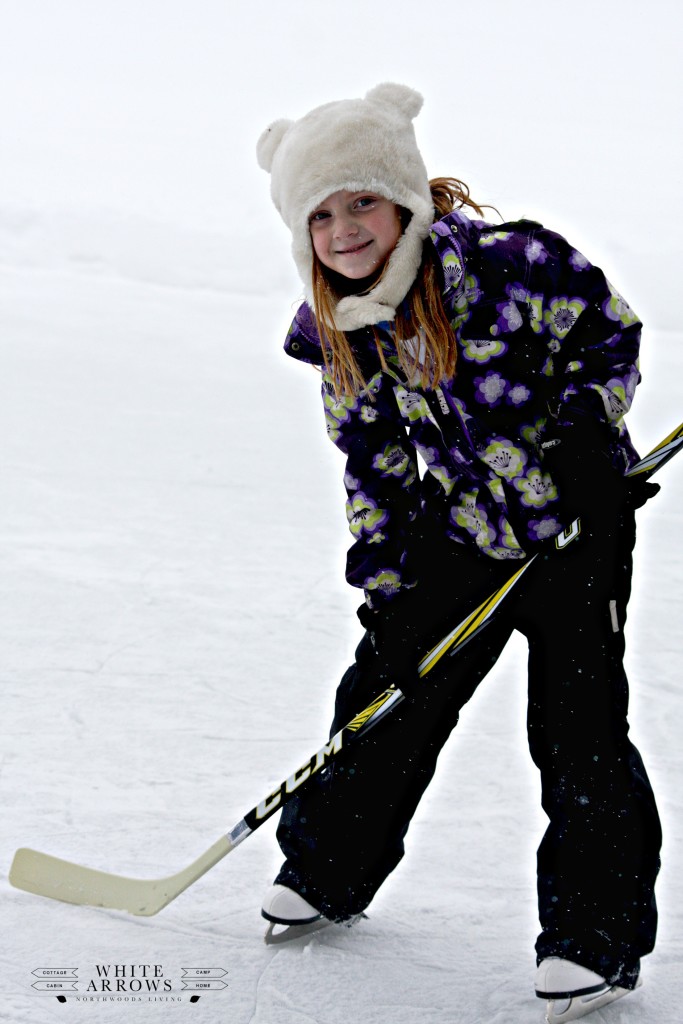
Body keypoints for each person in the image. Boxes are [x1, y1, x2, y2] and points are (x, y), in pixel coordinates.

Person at [255, 83, 662, 1013]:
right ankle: (324, 872)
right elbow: (371, 458)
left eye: (362, 199)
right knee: (385, 695)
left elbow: (609, 335)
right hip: (461, 537)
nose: (346, 227)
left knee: (578, 730)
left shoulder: (514, 261)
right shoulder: (338, 326)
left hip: (575, 530)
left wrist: (587, 440)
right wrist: (388, 573)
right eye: (321, 213)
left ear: (403, 193)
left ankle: (591, 937)